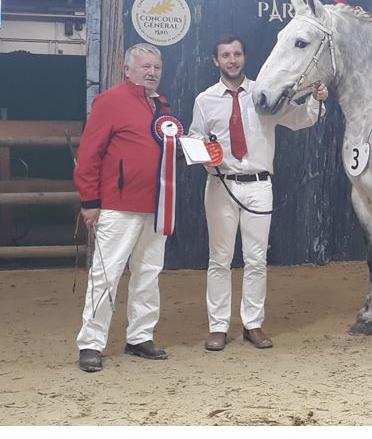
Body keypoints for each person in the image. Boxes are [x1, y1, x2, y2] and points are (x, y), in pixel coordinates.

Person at [188, 35, 326, 351]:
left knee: (256, 259)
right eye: (225, 55)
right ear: (216, 61)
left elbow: (301, 119)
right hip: (221, 185)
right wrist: (203, 155)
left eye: (237, 53)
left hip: (260, 185)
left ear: (244, 58)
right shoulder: (205, 100)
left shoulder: (264, 94)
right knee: (219, 259)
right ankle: (218, 327)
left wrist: (316, 98)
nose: (232, 60)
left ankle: (253, 325)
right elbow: (195, 140)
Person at [73, 44, 177, 371]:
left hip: (157, 205)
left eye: (156, 68)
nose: (151, 72)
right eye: (145, 66)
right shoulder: (110, 101)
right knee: (106, 275)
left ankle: (140, 336)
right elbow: (89, 155)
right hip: (117, 206)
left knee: (148, 273)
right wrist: (90, 201)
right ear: (127, 68)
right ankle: (91, 343)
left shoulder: (163, 106)